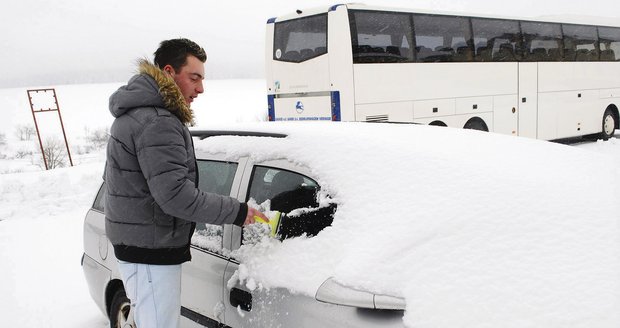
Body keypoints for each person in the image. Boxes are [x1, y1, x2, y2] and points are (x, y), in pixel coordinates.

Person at [104, 38, 267, 328]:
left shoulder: (140, 113)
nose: (201, 88)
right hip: (150, 250)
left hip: (142, 244)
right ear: (169, 72)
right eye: (194, 78)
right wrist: (239, 212)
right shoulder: (157, 121)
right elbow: (176, 196)